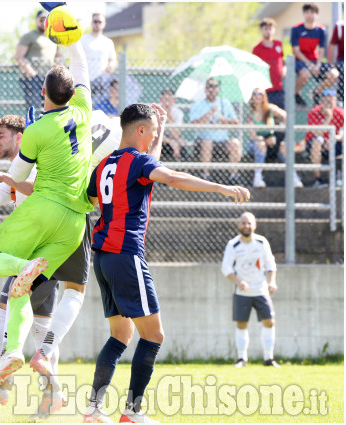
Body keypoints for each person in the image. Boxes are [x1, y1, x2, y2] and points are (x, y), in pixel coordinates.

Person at [84, 103, 250, 423]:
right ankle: (132, 412)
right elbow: (169, 176)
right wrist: (222, 188)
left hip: (103, 257)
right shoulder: (139, 161)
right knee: (154, 336)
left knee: (120, 335)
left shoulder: (105, 163)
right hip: (126, 254)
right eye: (153, 132)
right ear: (140, 130)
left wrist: (157, 131)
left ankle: (93, 409)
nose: (155, 137)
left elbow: (93, 198)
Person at [0, 39, 93, 393]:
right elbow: (81, 64)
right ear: (73, 93)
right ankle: (15, 354)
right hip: (74, 223)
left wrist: (3, 174)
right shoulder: (83, 112)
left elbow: (21, 178)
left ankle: (13, 349)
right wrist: (72, 37)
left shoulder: (37, 129)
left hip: (43, 209)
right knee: (25, 293)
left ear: (42, 91)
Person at [0, 114, 74, 417]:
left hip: (42, 251)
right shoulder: (16, 168)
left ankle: (34, 391)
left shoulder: (37, 164)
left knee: (33, 327)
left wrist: (5, 177)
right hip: (28, 255)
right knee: (22, 322)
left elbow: (35, 190)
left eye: (1, 135)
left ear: (20, 138)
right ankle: (32, 390)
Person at [221, 212, 279, 369]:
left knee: (269, 321)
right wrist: (238, 282)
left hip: (261, 290)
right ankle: (242, 359)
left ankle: (268, 358)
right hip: (242, 293)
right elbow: (226, 268)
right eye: (243, 223)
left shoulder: (261, 242)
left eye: (249, 223)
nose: (246, 226)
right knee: (241, 323)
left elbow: (270, 263)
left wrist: (272, 281)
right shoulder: (233, 244)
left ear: (255, 225)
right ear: (239, 225)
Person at [245, 88, 303, 188]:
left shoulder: (270, 108)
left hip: (272, 140)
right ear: (252, 97)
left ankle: (294, 177)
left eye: (260, 94)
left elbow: (286, 116)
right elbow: (253, 136)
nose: (258, 96)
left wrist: (280, 129)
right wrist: (265, 140)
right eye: (255, 94)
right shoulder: (250, 113)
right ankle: (258, 177)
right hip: (257, 143)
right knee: (261, 145)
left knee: (283, 146)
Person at [189, 77, 242, 182]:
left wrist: (227, 121)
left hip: (222, 141)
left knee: (235, 143)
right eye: (209, 86)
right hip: (203, 140)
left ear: (218, 89)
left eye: (214, 86)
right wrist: (209, 113)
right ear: (205, 89)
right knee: (207, 143)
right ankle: (205, 174)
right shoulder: (198, 104)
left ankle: (234, 175)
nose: (211, 89)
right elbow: (193, 124)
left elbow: (236, 121)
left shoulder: (225, 103)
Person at [291, 3, 339, 106]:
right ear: (303, 14)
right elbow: (296, 51)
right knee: (305, 74)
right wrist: (310, 65)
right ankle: (296, 93)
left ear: (317, 15)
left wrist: (317, 65)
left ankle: (316, 92)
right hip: (300, 61)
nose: (309, 15)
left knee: (334, 74)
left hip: (315, 61)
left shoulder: (321, 30)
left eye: (312, 12)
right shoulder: (296, 29)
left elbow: (322, 49)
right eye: (307, 12)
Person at [15, 10, 60, 113]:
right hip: (32, 78)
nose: (43, 22)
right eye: (41, 19)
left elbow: (59, 55)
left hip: (49, 79)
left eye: (46, 20)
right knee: (33, 108)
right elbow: (19, 56)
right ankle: (32, 128)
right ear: (36, 20)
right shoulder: (29, 36)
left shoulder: (53, 37)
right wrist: (32, 73)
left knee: (50, 107)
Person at [305, 89, 344, 188]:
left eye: (332, 101)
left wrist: (336, 138)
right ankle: (318, 179)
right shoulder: (314, 112)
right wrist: (328, 117)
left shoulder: (341, 113)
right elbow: (317, 132)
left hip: (334, 142)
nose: (329, 103)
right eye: (327, 101)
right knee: (317, 142)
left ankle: (340, 176)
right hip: (316, 143)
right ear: (322, 101)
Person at [81, 13, 117, 102]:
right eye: (95, 21)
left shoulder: (108, 42)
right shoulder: (83, 39)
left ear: (104, 24)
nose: (97, 24)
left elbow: (113, 59)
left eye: (100, 22)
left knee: (100, 106)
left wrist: (111, 66)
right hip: (85, 80)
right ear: (91, 23)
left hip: (102, 82)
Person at [252, 18, 286, 109]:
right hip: (265, 89)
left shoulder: (278, 44)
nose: (268, 31)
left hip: (278, 87)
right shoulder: (257, 49)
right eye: (266, 28)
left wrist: (284, 69)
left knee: (282, 113)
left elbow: (282, 60)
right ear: (261, 30)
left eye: (270, 28)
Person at [158, 88, 187, 161]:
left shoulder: (178, 113)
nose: (167, 103)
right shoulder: (155, 112)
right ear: (160, 100)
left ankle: (184, 169)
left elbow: (176, 134)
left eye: (170, 100)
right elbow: (155, 133)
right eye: (165, 100)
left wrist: (170, 116)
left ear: (174, 101)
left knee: (181, 142)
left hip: (172, 137)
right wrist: (169, 141)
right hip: (159, 138)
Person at [328, 20, 344, 102]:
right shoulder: (340, 26)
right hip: (342, 59)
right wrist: (331, 63)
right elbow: (332, 45)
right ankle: (342, 97)